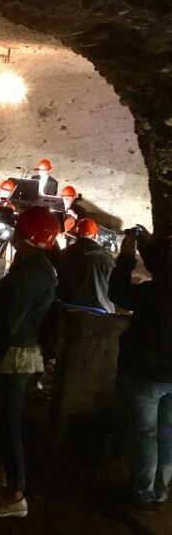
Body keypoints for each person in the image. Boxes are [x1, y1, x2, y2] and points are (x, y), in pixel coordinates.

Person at [0, 205, 60, 518]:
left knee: (10, 420)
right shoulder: (40, 267)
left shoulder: (31, 273)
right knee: (7, 415)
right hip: (24, 350)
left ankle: (16, 492)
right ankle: (2, 469)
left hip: (16, 353)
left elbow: (10, 317)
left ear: (28, 236)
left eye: (19, 230)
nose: (14, 234)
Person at [109, 229, 172, 511]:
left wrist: (125, 259)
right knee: (167, 432)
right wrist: (147, 247)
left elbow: (118, 294)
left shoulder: (154, 292)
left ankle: (142, 492)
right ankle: (159, 491)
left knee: (144, 433)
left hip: (146, 372)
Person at [54, 218, 115, 313]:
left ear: (77, 235)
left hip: (67, 308)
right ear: (95, 236)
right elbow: (115, 286)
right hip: (100, 310)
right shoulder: (106, 258)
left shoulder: (64, 254)